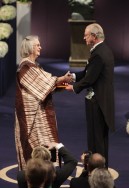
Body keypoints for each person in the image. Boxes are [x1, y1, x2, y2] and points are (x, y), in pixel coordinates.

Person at [15, 35, 73, 170]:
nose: (40, 47)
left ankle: (46, 176)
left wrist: (64, 82)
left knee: (45, 146)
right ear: (30, 48)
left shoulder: (34, 66)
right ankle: (36, 177)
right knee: (36, 149)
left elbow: (47, 83)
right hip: (31, 119)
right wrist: (63, 79)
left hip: (40, 116)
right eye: (38, 45)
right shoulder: (26, 67)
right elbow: (45, 84)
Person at [65, 23, 115, 167]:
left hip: (97, 103)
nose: (84, 37)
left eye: (86, 35)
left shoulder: (98, 53)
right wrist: (73, 77)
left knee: (96, 140)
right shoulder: (104, 50)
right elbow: (89, 72)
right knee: (101, 139)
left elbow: (89, 79)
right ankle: (100, 169)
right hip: (103, 102)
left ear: (94, 36)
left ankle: (96, 172)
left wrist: (73, 87)